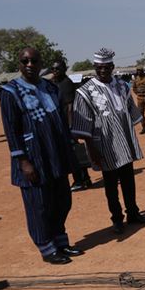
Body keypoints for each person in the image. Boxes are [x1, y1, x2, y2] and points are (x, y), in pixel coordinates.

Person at [0, 47, 82, 264]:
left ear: (40, 63)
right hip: (34, 157)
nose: (29, 65)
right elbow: (11, 130)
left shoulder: (49, 87)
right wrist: (23, 162)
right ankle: (47, 248)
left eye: (33, 61)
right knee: (39, 205)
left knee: (62, 200)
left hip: (56, 153)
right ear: (19, 63)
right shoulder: (10, 92)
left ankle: (60, 242)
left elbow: (62, 120)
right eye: (24, 60)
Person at [71, 48, 145, 234]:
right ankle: (116, 219)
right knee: (110, 184)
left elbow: (130, 110)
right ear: (94, 67)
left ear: (112, 67)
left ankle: (133, 212)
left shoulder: (122, 86)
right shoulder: (85, 91)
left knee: (128, 180)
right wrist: (91, 149)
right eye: (99, 67)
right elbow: (84, 124)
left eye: (107, 67)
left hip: (124, 139)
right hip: (103, 143)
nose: (103, 71)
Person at [51, 59, 92, 192]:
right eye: (53, 69)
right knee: (75, 152)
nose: (55, 71)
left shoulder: (66, 84)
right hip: (62, 123)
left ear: (64, 69)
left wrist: (70, 127)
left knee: (72, 153)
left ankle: (79, 180)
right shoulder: (56, 83)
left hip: (68, 124)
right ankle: (85, 178)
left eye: (57, 69)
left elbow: (69, 106)